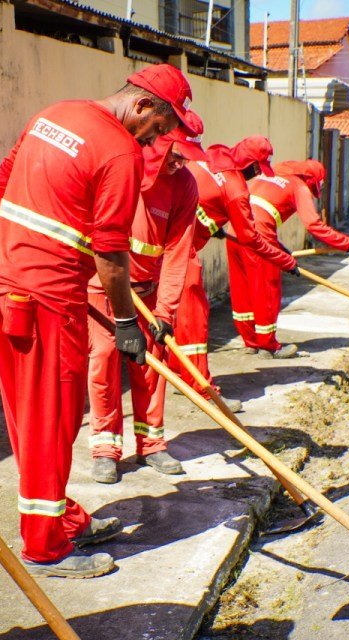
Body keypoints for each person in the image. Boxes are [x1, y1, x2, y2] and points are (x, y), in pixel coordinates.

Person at [0, 64, 198, 579]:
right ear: (143, 106)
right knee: (51, 421)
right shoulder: (120, 151)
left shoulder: (56, 114)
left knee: (31, 418)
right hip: (44, 298)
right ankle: (44, 545)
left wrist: (33, 247)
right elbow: (111, 254)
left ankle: (62, 515)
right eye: (163, 125)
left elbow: (2, 181)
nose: (160, 139)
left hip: (2, 281)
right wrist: (126, 320)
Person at [85, 111, 206, 484]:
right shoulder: (125, 166)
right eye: (175, 151)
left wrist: (165, 313)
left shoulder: (184, 185)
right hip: (101, 286)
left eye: (186, 156)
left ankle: (151, 444)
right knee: (104, 360)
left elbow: (177, 253)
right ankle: (105, 448)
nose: (179, 161)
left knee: (151, 362)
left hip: (148, 293)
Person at [172, 136, 300, 401]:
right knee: (195, 314)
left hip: (161, 238)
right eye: (258, 169)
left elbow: (201, 198)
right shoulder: (237, 190)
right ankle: (202, 390)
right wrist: (285, 262)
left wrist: (211, 224)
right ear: (252, 165)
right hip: (178, 248)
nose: (257, 175)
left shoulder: (210, 155)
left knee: (173, 317)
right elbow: (251, 239)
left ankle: (181, 375)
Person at [244, 159, 349, 355]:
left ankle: (252, 341)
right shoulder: (299, 185)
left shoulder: (273, 173)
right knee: (268, 288)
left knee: (244, 287)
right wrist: (345, 243)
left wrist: (279, 248)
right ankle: (268, 347)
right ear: (311, 180)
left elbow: (258, 210)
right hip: (260, 233)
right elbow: (313, 224)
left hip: (236, 229)